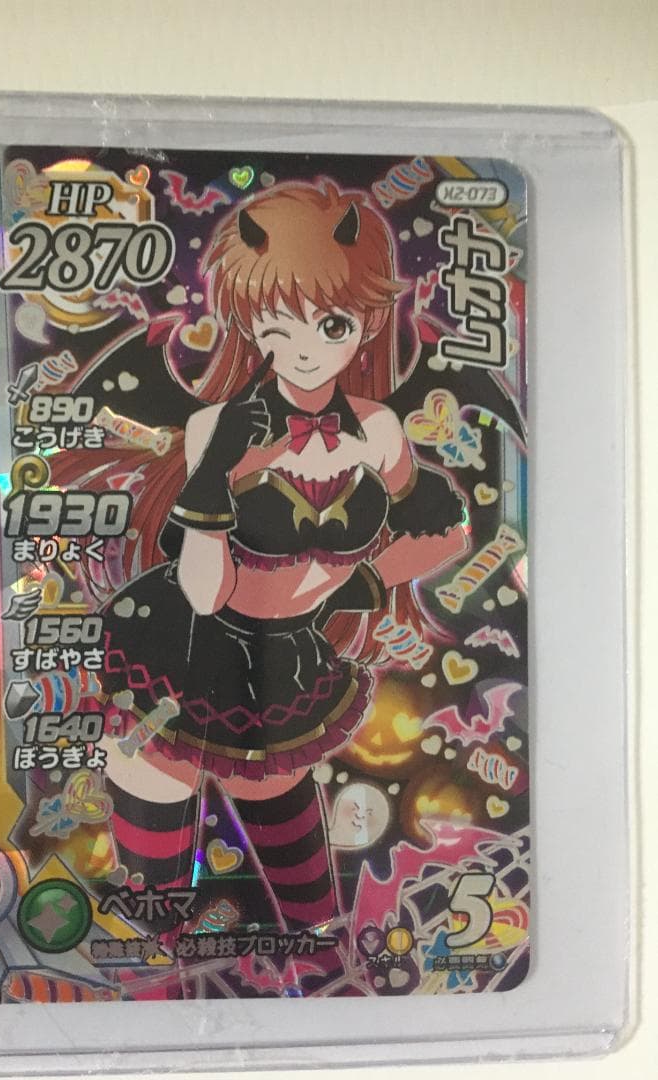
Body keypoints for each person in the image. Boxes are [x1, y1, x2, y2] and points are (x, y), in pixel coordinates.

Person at [67, 181, 468, 936]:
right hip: (178, 648)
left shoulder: (379, 431)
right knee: (156, 860)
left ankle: (324, 960)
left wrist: (363, 580)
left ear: (367, 321)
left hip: (286, 662)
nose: (306, 347)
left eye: (331, 322)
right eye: (277, 323)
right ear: (250, 324)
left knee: (300, 872)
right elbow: (204, 590)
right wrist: (218, 468)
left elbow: (446, 532)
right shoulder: (217, 427)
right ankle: (156, 968)